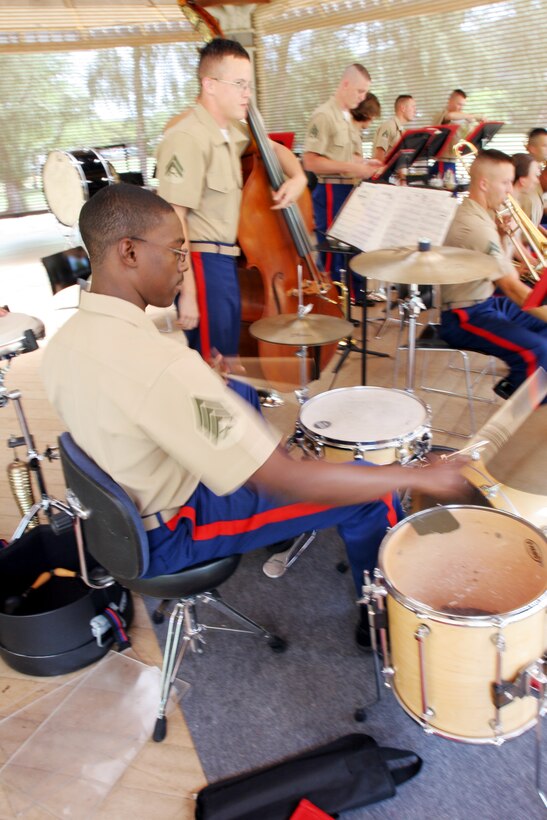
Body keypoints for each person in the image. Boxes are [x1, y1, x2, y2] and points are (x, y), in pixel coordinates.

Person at [41, 183, 466, 645]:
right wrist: (415, 475)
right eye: (177, 252)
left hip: (120, 512)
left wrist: (205, 391)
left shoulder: (66, 341)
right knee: (371, 492)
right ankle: (382, 626)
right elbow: (283, 478)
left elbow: (126, 408)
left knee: (239, 391)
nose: (184, 268)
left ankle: (276, 522)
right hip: (171, 530)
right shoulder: (162, 365)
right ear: (129, 251)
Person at [155, 38, 307, 360]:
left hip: (226, 262)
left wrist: (299, 177)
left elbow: (274, 148)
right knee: (214, 363)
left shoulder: (231, 131)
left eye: (248, 86)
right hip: (202, 263)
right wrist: (189, 293)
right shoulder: (187, 137)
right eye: (239, 85)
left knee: (228, 355)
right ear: (209, 84)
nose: (246, 95)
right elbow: (173, 219)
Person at [439, 149, 547, 399]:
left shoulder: (482, 213)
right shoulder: (475, 226)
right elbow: (511, 287)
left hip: (486, 302)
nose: (511, 190)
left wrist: (504, 237)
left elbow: (503, 266)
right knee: (538, 351)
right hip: (463, 314)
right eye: (506, 183)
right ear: (484, 183)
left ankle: (522, 388)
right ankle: (517, 402)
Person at [302, 65, 381, 300]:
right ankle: (331, 302)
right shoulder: (324, 115)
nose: (362, 97)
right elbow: (310, 162)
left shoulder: (347, 117)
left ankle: (353, 296)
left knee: (352, 245)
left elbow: (349, 156)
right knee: (331, 251)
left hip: (349, 188)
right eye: (359, 91)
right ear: (345, 84)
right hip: (330, 189)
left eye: (365, 92)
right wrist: (352, 167)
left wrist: (367, 163)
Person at [431, 89, 483, 181]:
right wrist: (473, 116)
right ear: (450, 101)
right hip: (443, 162)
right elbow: (450, 116)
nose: (460, 108)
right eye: (458, 104)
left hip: (452, 162)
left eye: (462, 105)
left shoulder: (461, 119)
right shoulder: (441, 115)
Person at [371, 94, 417, 162]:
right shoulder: (388, 126)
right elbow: (379, 156)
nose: (415, 111)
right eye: (413, 107)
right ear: (403, 108)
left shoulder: (402, 131)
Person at [511, 152, 544, 231]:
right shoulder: (508, 208)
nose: (537, 181)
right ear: (522, 180)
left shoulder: (516, 203)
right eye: (536, 176)